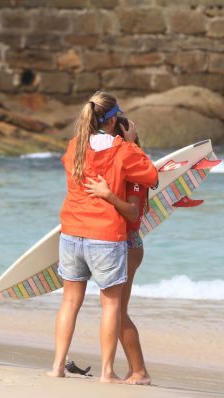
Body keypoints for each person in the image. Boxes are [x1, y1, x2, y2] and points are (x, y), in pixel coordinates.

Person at [47, 91, 158, 383]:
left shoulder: (74, 148)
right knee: (111, 306)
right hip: (106, 235)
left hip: (71, 232)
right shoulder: (124, 151)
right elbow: (151, 177)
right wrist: (132, 144)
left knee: (69, 302)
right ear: (112, 121)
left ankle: (57, 366)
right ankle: (107, 372)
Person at [83, 129, 152, 385]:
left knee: (119, 311)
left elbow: (133, 213)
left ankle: (140, 371)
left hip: (128, 244)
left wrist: (108, 195)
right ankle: (135, 370)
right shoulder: (126, 168)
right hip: (116, 242)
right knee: (117, 310)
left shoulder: (136, 172)